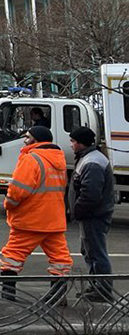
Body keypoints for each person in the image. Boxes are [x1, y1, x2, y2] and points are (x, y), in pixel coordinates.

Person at [0, 125, 71, 300]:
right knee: (60, 258)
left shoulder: (31, 159)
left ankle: (8, 292)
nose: (25, 140)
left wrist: (9, 205)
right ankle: (58, 295)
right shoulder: (59, 160)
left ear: (36, 140)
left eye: (28, 137)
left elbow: (18, 190)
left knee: (13, 255)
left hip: (29, 219)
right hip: (54, 219)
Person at [68, 126, 115, 301]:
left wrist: (78, 210)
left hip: (93, 215)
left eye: (73, 141)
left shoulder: (92, 162)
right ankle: (96, 286)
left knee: (96, 253)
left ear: (81, 143)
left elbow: (90, 194)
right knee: (89, 251)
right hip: (91, 214)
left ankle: (102, 291)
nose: (71, 144)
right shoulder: (89, 158)